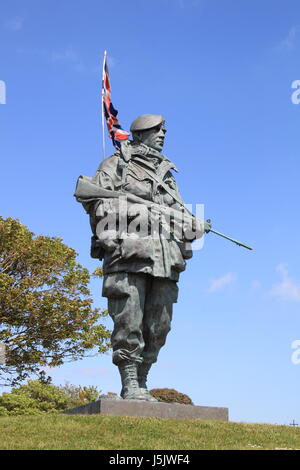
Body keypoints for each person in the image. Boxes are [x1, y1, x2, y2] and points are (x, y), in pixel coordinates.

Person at [76, 114, 211, 400]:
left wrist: (193, 225)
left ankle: (144, 379)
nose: (162, 134)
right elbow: (96, 202)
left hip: (165, 258)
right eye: (155, 130)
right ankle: (130, 382)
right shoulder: (116, 164)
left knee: (159, 326)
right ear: (138, 134)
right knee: (129, 322)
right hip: (129, 255)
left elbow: (178, 213)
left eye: (163, 130)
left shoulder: (167, 175)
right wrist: (136, 218)